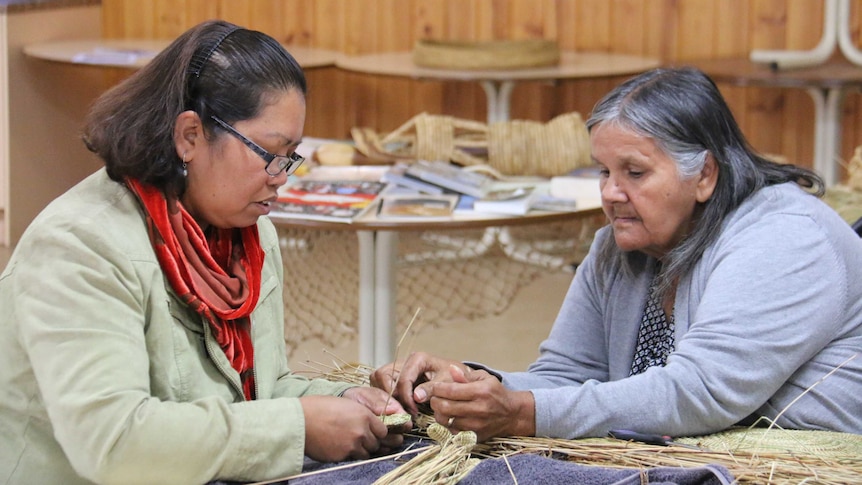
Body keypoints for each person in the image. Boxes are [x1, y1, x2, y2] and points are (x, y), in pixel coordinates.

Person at [0, 20, 409, 485]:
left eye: (292, 156)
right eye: (271, 153)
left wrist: (350, 400)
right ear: (190, 136)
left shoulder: (248, 238)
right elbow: (113, 444)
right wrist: (299, 425)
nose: (282, 176)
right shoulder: (79, 247)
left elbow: (258, 394)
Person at [371, 67, 862, 443]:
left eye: (635, 172)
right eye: (603, 171)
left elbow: (700, 393)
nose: (611, 193)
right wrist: (469, 386)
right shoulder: (621, 244)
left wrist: (519, 412)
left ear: (705, 175)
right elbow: (564, 377)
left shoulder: (785, 239)